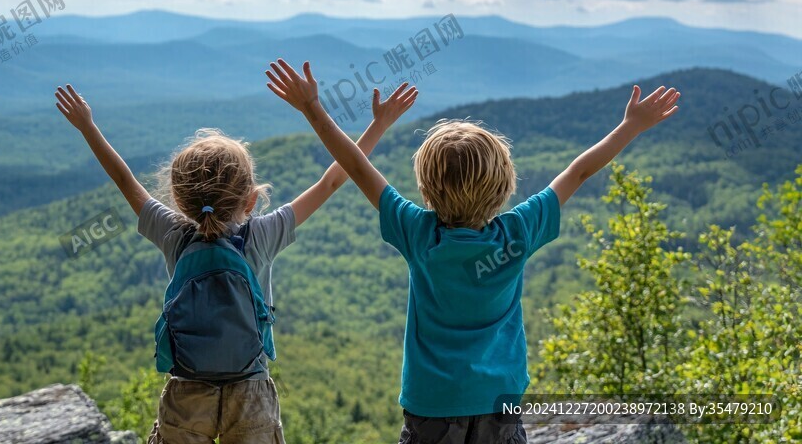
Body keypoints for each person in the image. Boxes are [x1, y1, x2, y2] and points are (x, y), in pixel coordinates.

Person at [264, 59, 680, 444]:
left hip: (431, 404)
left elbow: (354, 166)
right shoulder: (518, 232)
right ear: (504, 185)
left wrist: (313, 108)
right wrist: (630, 126)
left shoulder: (419, 233)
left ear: (426, 187)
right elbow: (579, 170)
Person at [53, 81, 418, 443]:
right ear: (251, 200)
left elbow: (124, 179)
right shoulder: (262, 235)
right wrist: (379, 124)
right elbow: (331, 182)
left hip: (187, 388)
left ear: (180, 201)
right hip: (251, 389)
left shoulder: (174, 234)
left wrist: (87, 125)